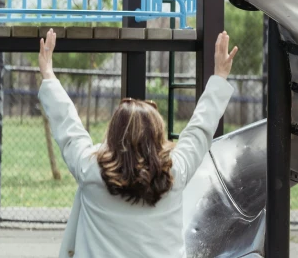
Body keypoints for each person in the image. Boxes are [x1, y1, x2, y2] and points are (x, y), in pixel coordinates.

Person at [38, 28, 238, 258]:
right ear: (157, 134)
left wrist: (48, 74)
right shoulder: (175, 171)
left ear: (113, 133)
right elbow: (200, 128)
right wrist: (219, 76)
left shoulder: (91, 170)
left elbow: (68, 126)